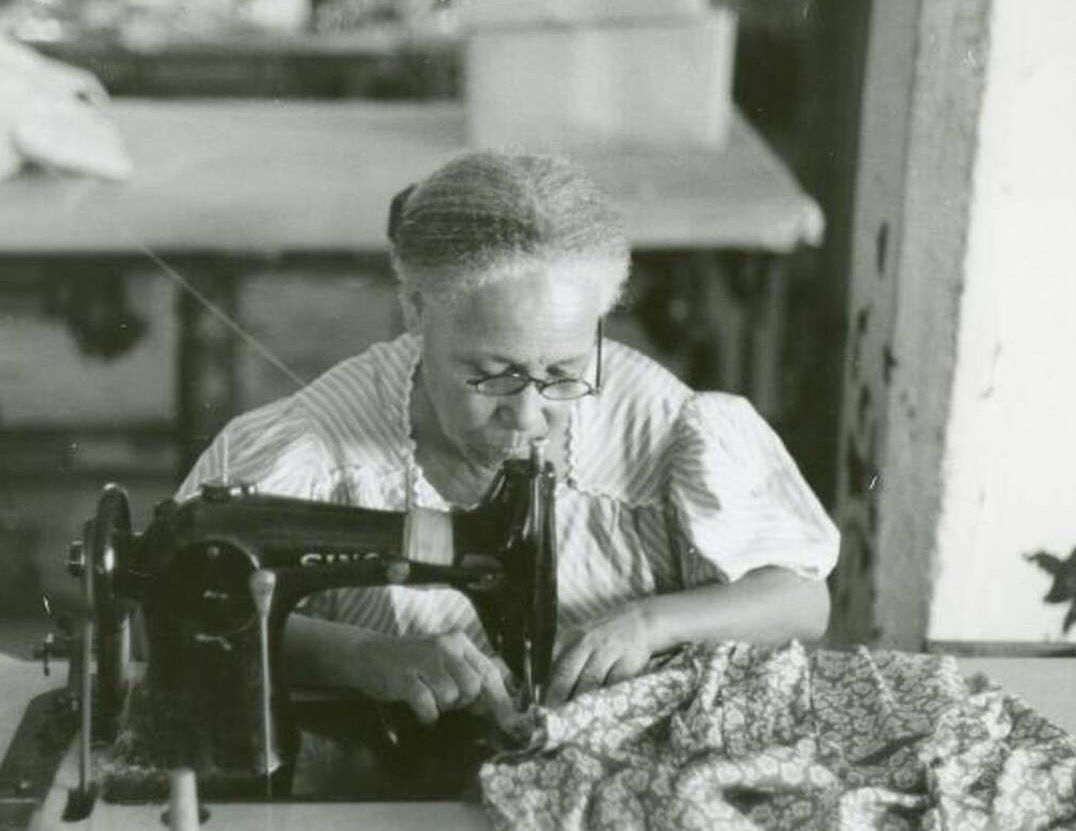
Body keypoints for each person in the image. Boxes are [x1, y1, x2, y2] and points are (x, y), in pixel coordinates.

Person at [176, 152, 838, 729]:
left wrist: (652, 623)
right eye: (489, 375)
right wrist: (363, 658)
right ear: (414, 308)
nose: (526, 417)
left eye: (564, 373)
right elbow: (185, 608)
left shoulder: (665, 425)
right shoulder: (315, 444)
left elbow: (803, 601)